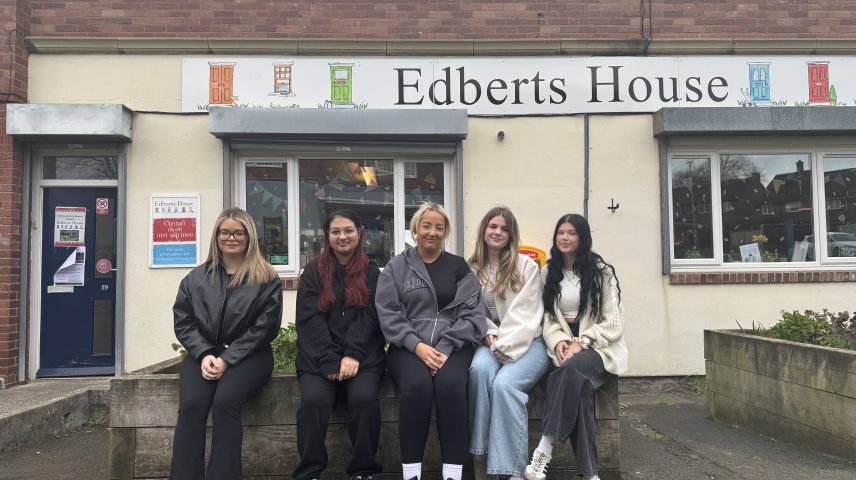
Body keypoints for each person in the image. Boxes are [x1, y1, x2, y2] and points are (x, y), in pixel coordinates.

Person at [375, 201, 487, 480]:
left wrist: (445, 347)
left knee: (451, 386)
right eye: (426, 226)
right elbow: (388, 313)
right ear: (415, 229)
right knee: (417, 386)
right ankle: (411, 473)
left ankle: (452, 473)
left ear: (446, 231)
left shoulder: (459, 267)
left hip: (453, 347)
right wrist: (418, 346)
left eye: (439, 227)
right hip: (408, 348)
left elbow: (473, 314)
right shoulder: (396, 267)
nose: (432, 232)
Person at [170, 207, 283, 480]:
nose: (230, 237)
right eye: (224, 232)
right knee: (192, 405)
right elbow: (184, 321)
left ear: (249, 237)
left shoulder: (266, 278)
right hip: (205, 353)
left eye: (238, 232)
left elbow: (265, 328)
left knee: (225, 401)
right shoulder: (196, 278)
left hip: (250, 355)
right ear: (216, 236)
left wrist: (228, 358)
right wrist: (205, 352)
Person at [524, 214, 628, 480]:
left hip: (599, 347)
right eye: (561, 232)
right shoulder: (548, 272)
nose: (565, 238)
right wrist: (559, 340)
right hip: (562, 344)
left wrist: (582, 342)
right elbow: (545, 317)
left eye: (571, 233)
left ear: (582, 238)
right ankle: (589, 474)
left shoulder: (602, 272)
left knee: (569, 371)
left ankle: (544, 449)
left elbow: (614, 324)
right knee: (577, 386)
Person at [293, 209, 385, 480]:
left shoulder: (372, 273)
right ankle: (309, 472)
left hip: (363, 358)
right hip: (318, 360)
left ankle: (363, 471)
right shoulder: (312, 272)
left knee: (364, 400)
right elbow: (309, 319)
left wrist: (353, 354)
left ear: (359, 233)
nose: (342, 236)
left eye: (348, 231)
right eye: (336, 231)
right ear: (327, 236)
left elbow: (371, 316)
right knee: (313, 401)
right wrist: (330, 359)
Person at [467, 206, 549, 480]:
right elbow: (471, 309)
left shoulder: (526, 267)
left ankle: (512, 470)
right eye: (493, 226)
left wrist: (505, 340)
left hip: (528, 341)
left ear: (511, 234)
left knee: (504, 385)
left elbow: (527, 313)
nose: (498, 232)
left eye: (504, 228)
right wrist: (488, 332)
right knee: (479, 371)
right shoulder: (471, 268)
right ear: (484, 230)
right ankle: (482, 459)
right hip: (489, 339)